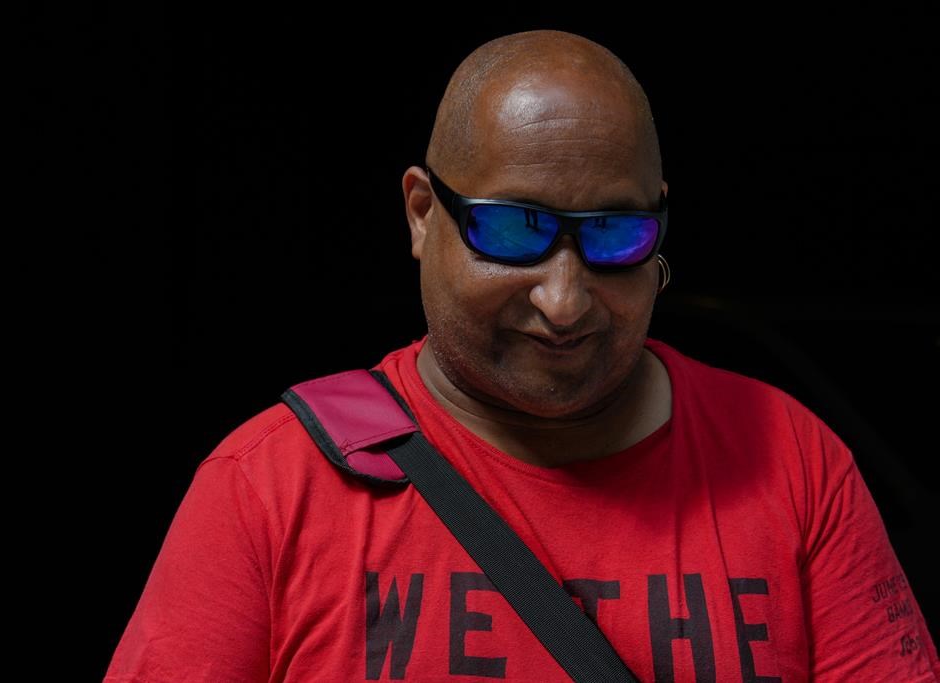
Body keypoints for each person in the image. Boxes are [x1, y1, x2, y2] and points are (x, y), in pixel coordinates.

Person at [104, 30, 939, 681]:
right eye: (514, 230)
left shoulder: (795, 463)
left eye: (613, 235)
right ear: (424, 214)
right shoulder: (267, 484)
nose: (565, 300)